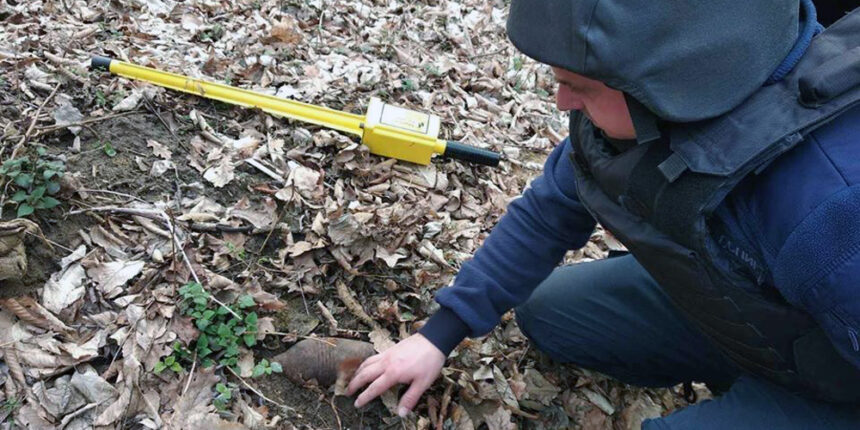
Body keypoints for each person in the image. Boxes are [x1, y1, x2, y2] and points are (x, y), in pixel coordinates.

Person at [348, 1, 860, 428]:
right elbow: (549, 212)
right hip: (758, 312)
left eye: (580, 87)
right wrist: (437, 336)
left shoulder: (830, 205)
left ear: (670, 82)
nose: (560, 99)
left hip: (839, 384)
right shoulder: (641, 123)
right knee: (550, 314)